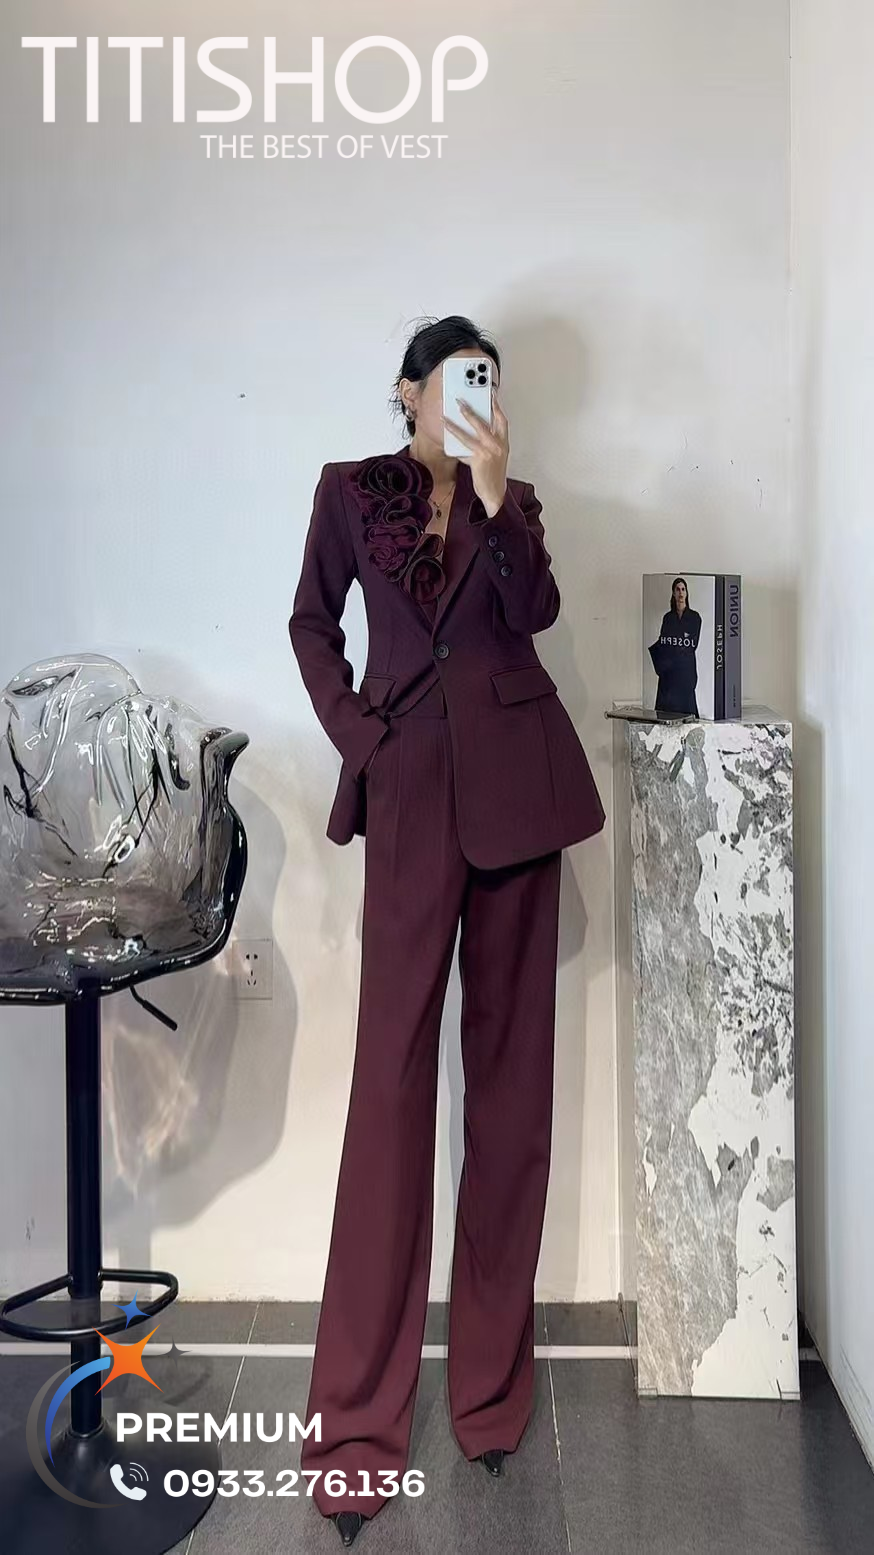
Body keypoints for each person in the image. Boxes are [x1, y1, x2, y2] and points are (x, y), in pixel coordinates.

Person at [288, 314, 606, 1547]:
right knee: (390, 1092)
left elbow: (533, 611)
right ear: (408, 391)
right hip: (411, 792)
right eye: (457, 379)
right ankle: (355, 1428)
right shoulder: (345, 492)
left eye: (490, 382)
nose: (475, 396)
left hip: (520, 798)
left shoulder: (511, 499)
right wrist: (362, 741)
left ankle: (488, 1396)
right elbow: (311, 625)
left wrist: (495, 492)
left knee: (511, 1099)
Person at [649, 576, 702, 716]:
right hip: (669, 673)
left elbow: (692, 645)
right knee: (666, 713)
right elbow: (663, 642)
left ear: (687, 593)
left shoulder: (695, 617)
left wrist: (674, 648)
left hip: (685, 672)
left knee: (687, 715)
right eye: (678, 589)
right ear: (673, 593)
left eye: (683, 589)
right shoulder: (668, 618)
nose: (681, 592)